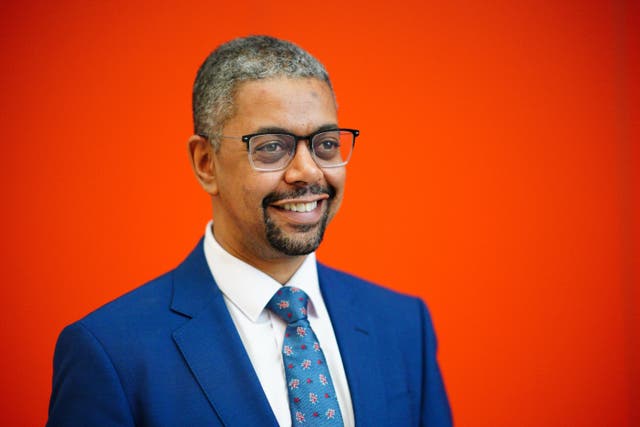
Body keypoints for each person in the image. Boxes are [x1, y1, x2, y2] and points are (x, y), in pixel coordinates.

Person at [46, 35, 452, 426]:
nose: (308, 171)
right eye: (272, 146)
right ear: (206, 162)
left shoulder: (402, 326)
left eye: (325, 144)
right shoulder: (111, 353)